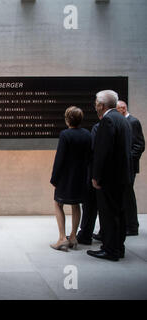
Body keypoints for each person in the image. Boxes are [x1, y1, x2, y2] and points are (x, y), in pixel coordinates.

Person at [87, 90, 132, 261]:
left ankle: (110, 249)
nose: (95, 105)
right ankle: (118, 247)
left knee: (108, 215)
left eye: (96, 102)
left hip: (110, 178)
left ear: (102, 105)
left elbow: (103, 152)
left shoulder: (108, 121)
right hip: (121, 177)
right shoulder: (122, 119)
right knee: (119, 213)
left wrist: (96, 176)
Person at [50, 106, 92, 251]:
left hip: (66, 177)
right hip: (81, 176)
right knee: (76, 205)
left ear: (67, 119)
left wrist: (54, 178)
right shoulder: (87, 134)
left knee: (58, 204)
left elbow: (60, 158)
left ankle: (62, 238)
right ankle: (73, 237)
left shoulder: (65, 135)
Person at [116, 100, 145, 236]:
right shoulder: (123, 121)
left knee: (128, 196)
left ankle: (132, 226)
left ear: (123, 108)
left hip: (129, 166)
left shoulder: (133, 122)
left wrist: (127, 160)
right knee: (124, 195)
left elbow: (139, 145)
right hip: (124, 166)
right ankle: (127, 225)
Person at [75, 122, 99, 245]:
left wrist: (94, 175)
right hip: (110, 173)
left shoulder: (99, 126)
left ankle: (85, 234)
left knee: (89, 205)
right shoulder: (123, 122)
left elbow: (93, 152)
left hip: (96, 173)